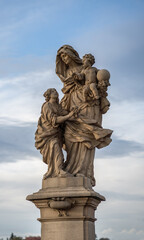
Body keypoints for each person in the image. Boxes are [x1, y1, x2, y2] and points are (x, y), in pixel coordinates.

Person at [56, 45, 113, 186]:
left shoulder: (88, 69)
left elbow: (99, 81)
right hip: (72, 106)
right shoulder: (67, 72)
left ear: (71, 55)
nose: (64, 58)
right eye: (61, 57)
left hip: (87, 105)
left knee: (86, 137)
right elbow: (67, 90)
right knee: (70, 137)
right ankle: (70, 168)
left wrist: (100, 85)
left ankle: (83, 171)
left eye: (65, 55)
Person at [35, 88, 77, 179]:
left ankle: (57, 170)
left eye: (55, 91)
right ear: (48, 95)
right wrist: (69, 116)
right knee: (56, 149)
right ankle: (57, 170)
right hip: (47, 134)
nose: (55, 92)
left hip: (56, 133)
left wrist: (73, 114)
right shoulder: (47, 106)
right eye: (53, 92)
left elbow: (64, 114)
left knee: (57, 151)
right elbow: (54, 120)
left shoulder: (57, 106)